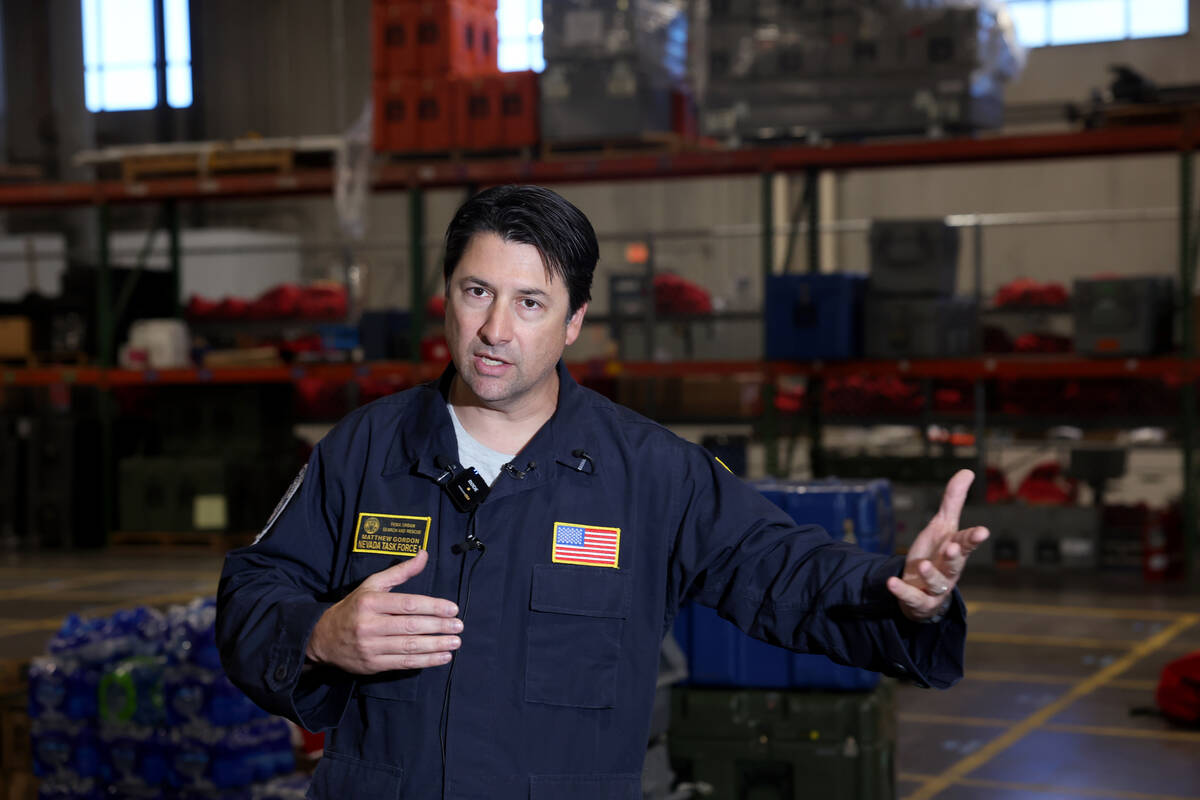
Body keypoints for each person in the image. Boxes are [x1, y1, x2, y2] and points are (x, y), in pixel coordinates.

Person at [217, 185, 989, 800]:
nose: (494, 329)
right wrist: (321, 634)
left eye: (530, 303)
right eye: (476, 291)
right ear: (446, 296)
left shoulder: (650, 474)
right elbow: (252, 590)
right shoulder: (366, 450)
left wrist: (903, 594)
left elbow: (783, 569)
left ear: (575, 321)